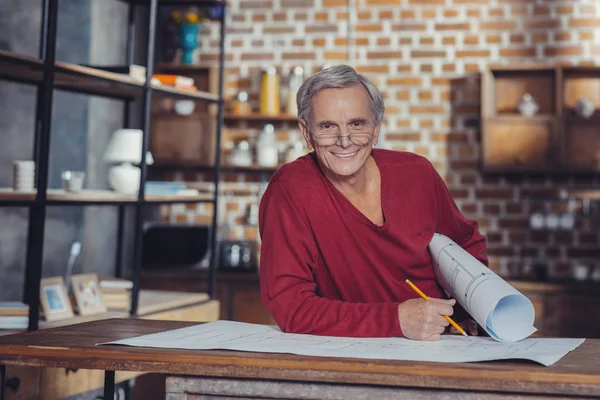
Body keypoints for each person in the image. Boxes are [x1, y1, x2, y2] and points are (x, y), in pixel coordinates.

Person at [258, 65, 487, 341]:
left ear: (376, 129)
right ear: (307, 134)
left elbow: (466, 246)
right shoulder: (289, 190)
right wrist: (396, 319)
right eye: (328, 127)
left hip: (442, 343)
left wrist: (470, 312)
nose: (345, 141)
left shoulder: (418, 173)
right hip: (351, 355)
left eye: (357, 124)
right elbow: (291, 307)